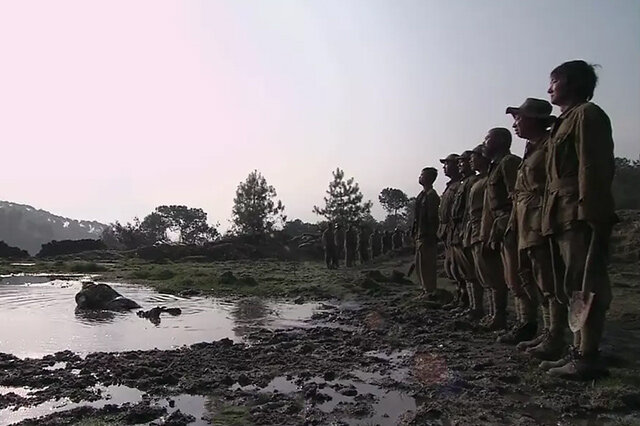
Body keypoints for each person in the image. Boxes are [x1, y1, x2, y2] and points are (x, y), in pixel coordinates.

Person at [539, 60, 616, 379]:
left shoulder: (586, 115)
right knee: (572, 284)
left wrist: (592, 213)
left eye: (553, 81)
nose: (549, 89)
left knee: (587, 283)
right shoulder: (565, 121)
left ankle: (587, 356)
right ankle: (578, 350)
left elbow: (592, 167)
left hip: (578, 212)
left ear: (570, 83)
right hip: (563, 213)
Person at [504, 98, 563, 349]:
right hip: (524, 221)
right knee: (529, 277)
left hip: (541, 220)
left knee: (548, 281)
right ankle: (544, 330)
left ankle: (555, 337)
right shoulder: (530, 150)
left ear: (534, 120)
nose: (515, 124)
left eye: (519, 118)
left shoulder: (551, 146)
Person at [481, 128, 523, 332]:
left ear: (499, 141)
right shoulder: (495, 167)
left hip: (509, 222)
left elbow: (517, 197)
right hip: (499, 222)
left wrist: (511, 224)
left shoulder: (509, 163)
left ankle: (525, 323)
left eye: (487, 139)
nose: (484, 142)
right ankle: (508, 318)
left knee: (516, 276)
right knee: (505, 275)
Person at [468, 144, 505, 327]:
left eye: (474, 156)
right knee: (484, 275)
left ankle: (498, 315)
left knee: (494, 276)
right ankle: (491, 314)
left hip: (488, 228)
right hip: (476, 230)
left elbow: (488, 210)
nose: (470, 161)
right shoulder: (479, 181)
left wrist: (488, 232)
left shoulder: (489, 178)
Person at [451, 151, 483, 320]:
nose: (461, 165)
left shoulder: (473, 182)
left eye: (463, 162)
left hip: (469, 229)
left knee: (472, 272)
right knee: (465, 272)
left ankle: (477, 307)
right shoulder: (464, 183)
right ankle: (471, 305)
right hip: (461, 230)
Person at [438, 153, 466, 310]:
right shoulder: (451, 186)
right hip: (448, 233)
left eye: (447, 164)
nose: (444, 167)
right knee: (452, 268)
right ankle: (459, 297)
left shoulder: (459, 186)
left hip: (457, 231)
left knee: (461, 268)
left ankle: (465, 300)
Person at [412, 167, 440, 296]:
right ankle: (424, 289)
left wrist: (431, 235)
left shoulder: (432, 195)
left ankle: (430, 291)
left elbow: (432, 218)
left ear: (428, 178)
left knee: (427, 265)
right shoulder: (422, 195)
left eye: (422, 175)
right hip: (420, 234)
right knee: (420, 265)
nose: (420, 177)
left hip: (427, 236)